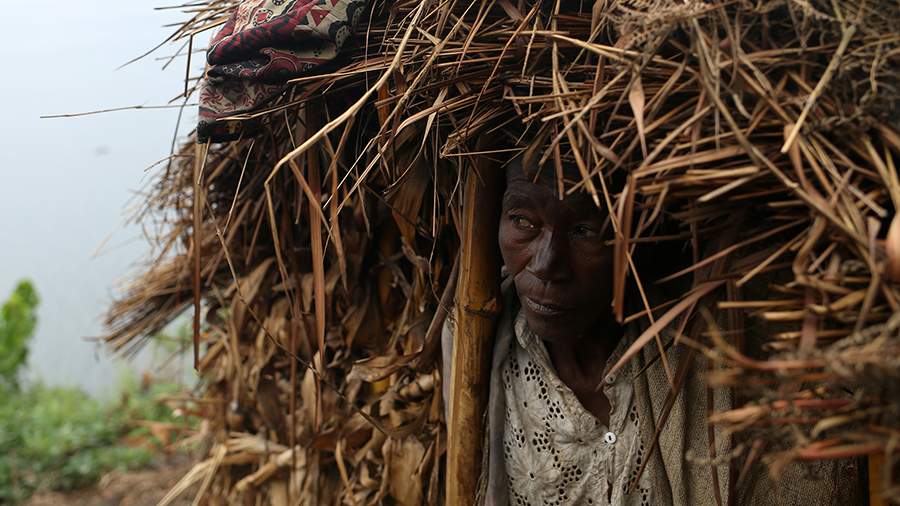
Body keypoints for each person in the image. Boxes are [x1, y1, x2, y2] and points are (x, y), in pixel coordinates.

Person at [442, 158, 861, 505]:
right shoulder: (475, 345)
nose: (547, 263)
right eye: (522, 220)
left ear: (640, 235)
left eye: (585, 230)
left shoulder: (715, 355)